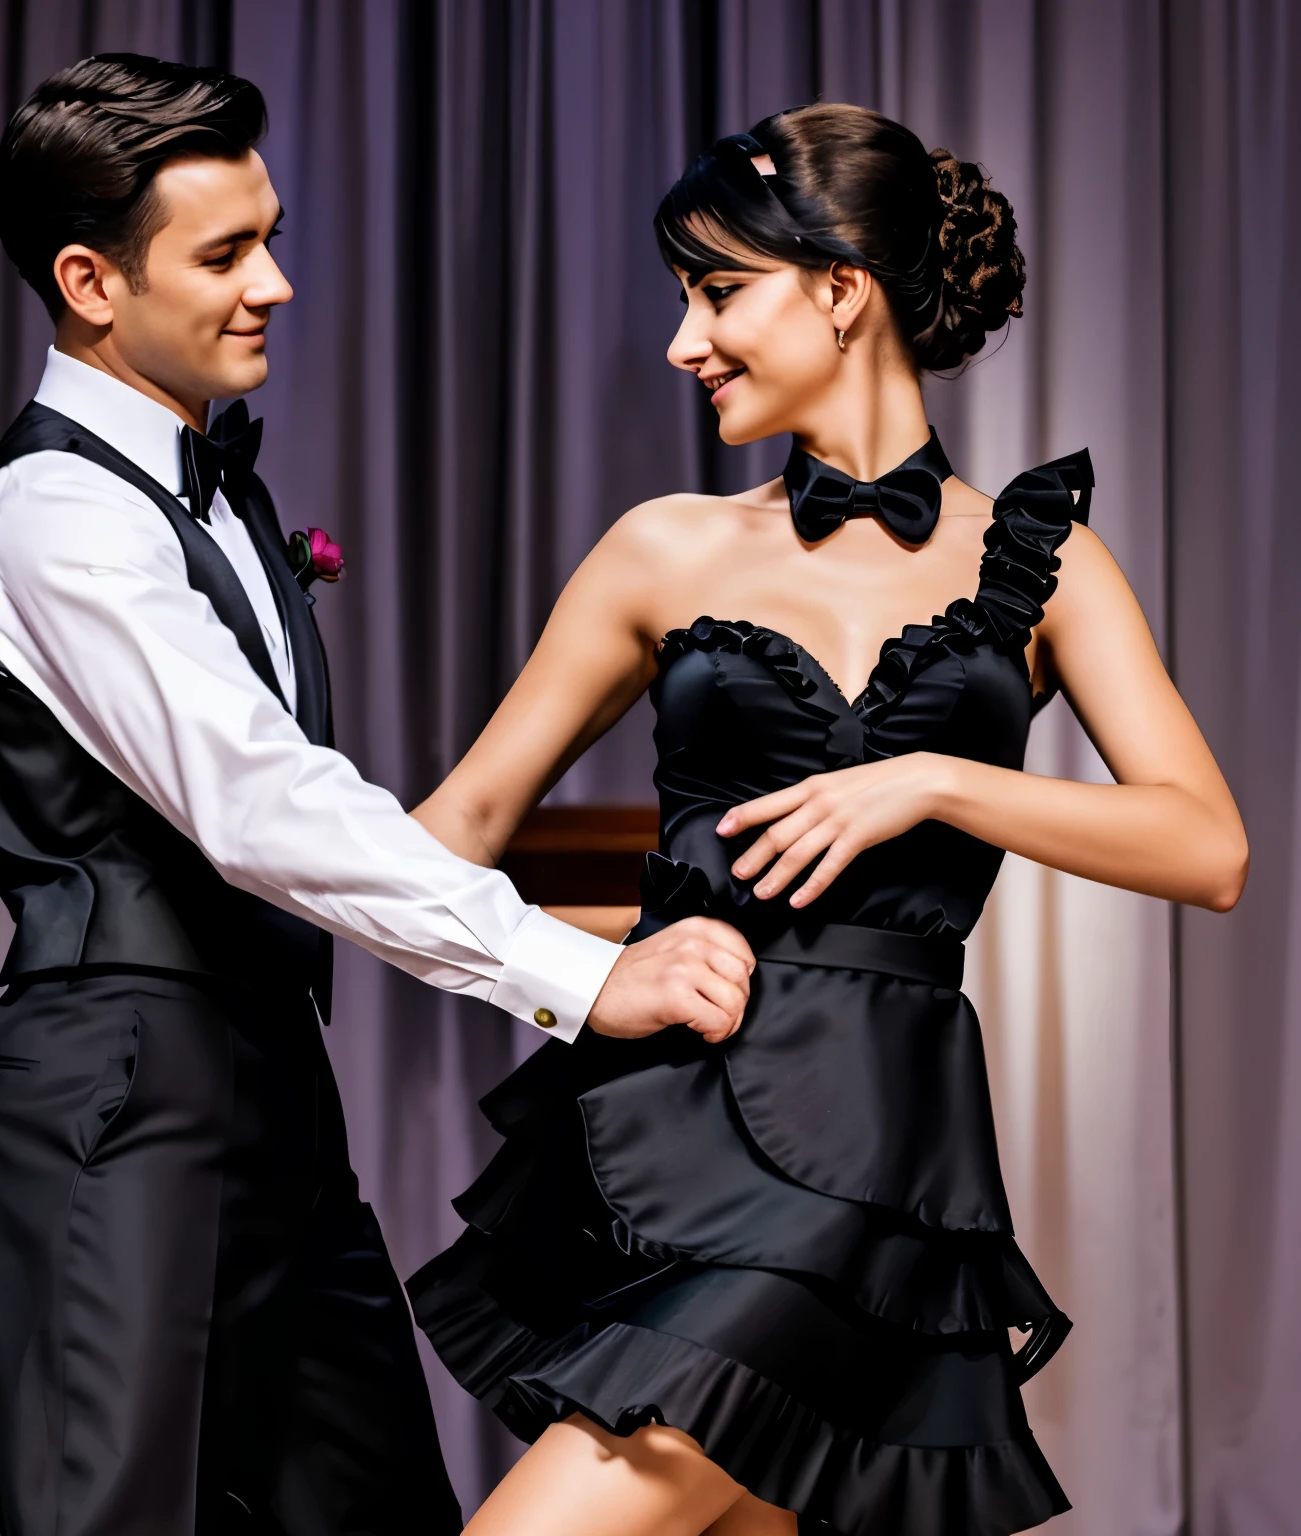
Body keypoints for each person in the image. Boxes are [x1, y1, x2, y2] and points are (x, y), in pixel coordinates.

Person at [406, 103, 1249, 1536]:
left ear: (842, 292)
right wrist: (600, 965)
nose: (685, 340)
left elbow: (1206, 845)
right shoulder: (661, 548)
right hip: (670, 1141)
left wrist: (937, 778)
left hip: (883, 1154)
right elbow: (447, 838)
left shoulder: (1043, 562)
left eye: (718, 290)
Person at [0, 54, 754, 1536]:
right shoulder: (52, 513)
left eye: (272, 235)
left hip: (268, 1085)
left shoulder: (213, 482)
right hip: (115, 1088)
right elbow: (261, 809)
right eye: (227, 251)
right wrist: (582, 975)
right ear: (88, 280)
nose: (279, 283)